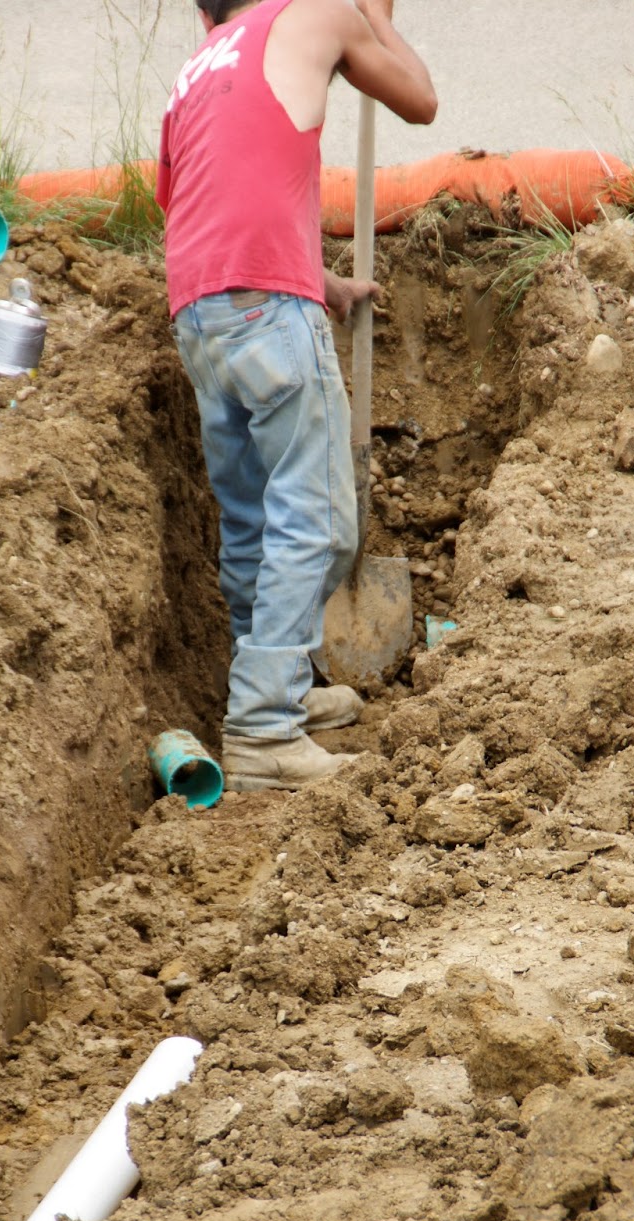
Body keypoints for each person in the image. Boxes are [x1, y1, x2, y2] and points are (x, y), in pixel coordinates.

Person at [156, 0, 437, 791]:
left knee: (251, 519)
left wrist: (313, 278)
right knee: (312, 520)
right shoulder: (314, 14)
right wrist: (370, 14)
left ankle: (275, 694)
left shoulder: (198, 66)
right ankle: (263, 731)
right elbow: (418, 98)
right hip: (266, 313)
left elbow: (202, 203)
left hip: (202, 311)